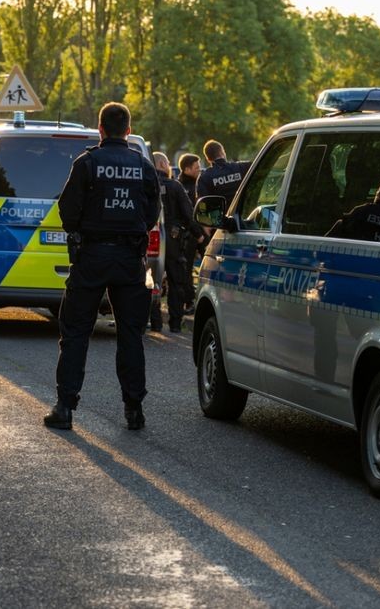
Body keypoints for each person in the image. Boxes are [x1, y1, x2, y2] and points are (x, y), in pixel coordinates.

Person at [46, 102, 161, 432]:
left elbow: (67, 211)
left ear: (100, 129)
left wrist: (85, 230)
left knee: (75, 333)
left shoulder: (87, 163)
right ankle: (134, 409)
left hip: (91, 257)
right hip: (129, 260)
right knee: (130, 335)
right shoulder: (143, 166)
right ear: (129, 129)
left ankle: (65, 408)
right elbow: (152, 213)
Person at [154, 153, 204, 333]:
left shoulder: (147, 184)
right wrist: (199, 236)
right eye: (167, 163)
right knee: (176, 282)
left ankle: (155, 321)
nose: (169, 166)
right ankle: (175, 323)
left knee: (151, 282)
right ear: (161, 164)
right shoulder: (175, 186)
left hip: (151, 240)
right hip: (174, 241)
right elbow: (189, 214)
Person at [195, 140, 251, 207]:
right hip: (245, 212)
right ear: (222, 152)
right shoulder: (241, 167)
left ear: (208, 159)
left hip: (221, 215)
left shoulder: (204, 177)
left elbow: (203, 204)